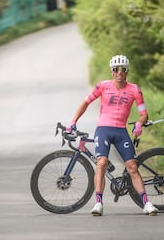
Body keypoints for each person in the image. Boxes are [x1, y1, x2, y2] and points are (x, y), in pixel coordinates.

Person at [66, 55, 158, 216]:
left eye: (123, 69)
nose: (119, 72)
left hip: (121, 132)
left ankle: (146, 203)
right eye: (116, 69)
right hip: (104, 130)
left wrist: (139, 123)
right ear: (111, 71)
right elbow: (86, 103)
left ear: (127, 71)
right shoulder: (102, 86)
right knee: (101, 162)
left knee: (132, 167)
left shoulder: (135, 89)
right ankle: (98, 203)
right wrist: (73, 121)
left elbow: (144, 114)